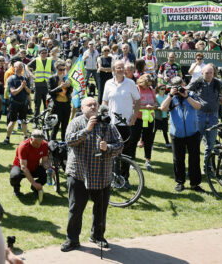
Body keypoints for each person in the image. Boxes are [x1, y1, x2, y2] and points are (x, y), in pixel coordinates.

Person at [61, 96, 124, 252]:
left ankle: (97, 236)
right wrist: (87, 130)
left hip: (102, 175)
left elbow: (120, 145)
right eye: (89, 105)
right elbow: (68, 140)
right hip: (79, 174)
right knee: (76, 209)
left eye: (95, 104)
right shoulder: (76, 123)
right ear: (82, 108)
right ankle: (72, 240)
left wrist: (107, 147)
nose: (93, 107)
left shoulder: (108, 125)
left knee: (100, 209)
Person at [160, 77, 204, 192]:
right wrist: (170, 95)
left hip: (192, 132)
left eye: (180, 85)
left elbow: (198, 106)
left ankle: (195, 184)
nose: (179, 88)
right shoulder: (171, 97)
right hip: (177, 134)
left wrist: (187, 96)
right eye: (176, 86)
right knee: (178, 160)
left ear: (184, 83)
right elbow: (163, 108)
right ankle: (180, 182)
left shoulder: (191, 94)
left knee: (194, 159)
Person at [102, 60, 140, 188]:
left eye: (122, 67)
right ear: (113, 69)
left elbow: (138, 100)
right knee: (113, 152)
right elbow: (105, 102)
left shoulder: (130, 83)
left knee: (126, 152)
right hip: (112, 124)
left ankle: (125, 178)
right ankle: (114, 178)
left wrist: (135, 115)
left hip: (127, 124)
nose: (121, 70)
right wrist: (104, 116)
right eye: (118, 68)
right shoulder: (108, 83)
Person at [187, 64, 222, 169]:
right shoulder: (198, 81)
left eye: (211, 73)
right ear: (202, 73)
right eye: (207, 73)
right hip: (199, 115)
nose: (209, 75)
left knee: (210, 144)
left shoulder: (218, 82)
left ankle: (207, 168)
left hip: (213, 116)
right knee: (195, 144)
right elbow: (187, 90)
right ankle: (193, 168)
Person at [9, 129, 49, 203]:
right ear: (31, 139)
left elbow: (45, 162)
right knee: (14, 176)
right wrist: (33, 182)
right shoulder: (23, 146)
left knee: (45, 174)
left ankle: (34, 188)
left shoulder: (44, 144)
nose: (38, 146)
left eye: (40, 143)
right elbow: (23, 167)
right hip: (20, 167)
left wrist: (50, 169)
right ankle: (16, 189)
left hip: (34, 167)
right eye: (36, 143)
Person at [3, 62, 31, 144]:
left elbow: (29, 91)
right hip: (14, 103)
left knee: (23, 121)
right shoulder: (11, 79)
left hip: (23, 103)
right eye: (18, 67)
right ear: (14, 68)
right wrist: (22, 86)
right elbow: (13, 92)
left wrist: (25, 87)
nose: (20, 68)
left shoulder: (25, 79)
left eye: (21, 67)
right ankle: (7, 138)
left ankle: (26, 137)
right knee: (12, 121)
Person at [135, 74, 157, 171]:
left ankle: (148, 161)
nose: (148, 87)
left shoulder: (151, 89)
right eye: (147, 85)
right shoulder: (136, 89)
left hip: (149, 119)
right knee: (134, 139)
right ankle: (132, 161)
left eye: (149, 85)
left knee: (148, 140)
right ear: (142, 82)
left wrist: (154, 106)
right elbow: (133, 105)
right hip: (137, 118)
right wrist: (144, 107)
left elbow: (155, 102)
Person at [48, 60, 72, 141]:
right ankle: (52, 145)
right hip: (56, 105)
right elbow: (50, 92)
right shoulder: (52, 78)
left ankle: (64, 145)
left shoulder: (66, 78)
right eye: (60, 69)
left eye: (63, 69)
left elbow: (69, 92)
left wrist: (69, 86)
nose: (62, 71)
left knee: (65, 127)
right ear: (56, 68)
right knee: (56, 127)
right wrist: (60, 87)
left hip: (66, 105)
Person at [28, 47, 54, 116]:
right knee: (37, 104)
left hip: (47, 85)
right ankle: (35, 121)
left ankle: (45, 120)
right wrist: (31, 75)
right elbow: (27, 66)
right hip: (38, 85)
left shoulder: (49, 60)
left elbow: (52, 70)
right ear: (39, 54)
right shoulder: (36, 60)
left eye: (45, 52)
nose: (44, 54)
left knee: (47, 104)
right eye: (42, 53)